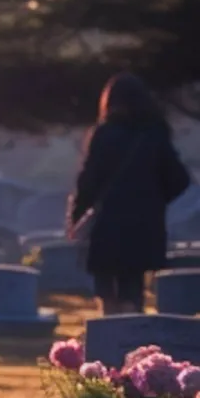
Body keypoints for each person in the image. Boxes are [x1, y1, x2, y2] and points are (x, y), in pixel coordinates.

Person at [68, 72, 191, 314]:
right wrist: (153, 199)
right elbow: (179, 179)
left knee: (106, 288)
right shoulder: (155, 134)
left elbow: (89, 181)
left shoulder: (104, 133)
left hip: (108, 223)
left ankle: (108, 338)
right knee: (132, 287)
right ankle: (131, 338)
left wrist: (77, 215)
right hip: (143, 224)